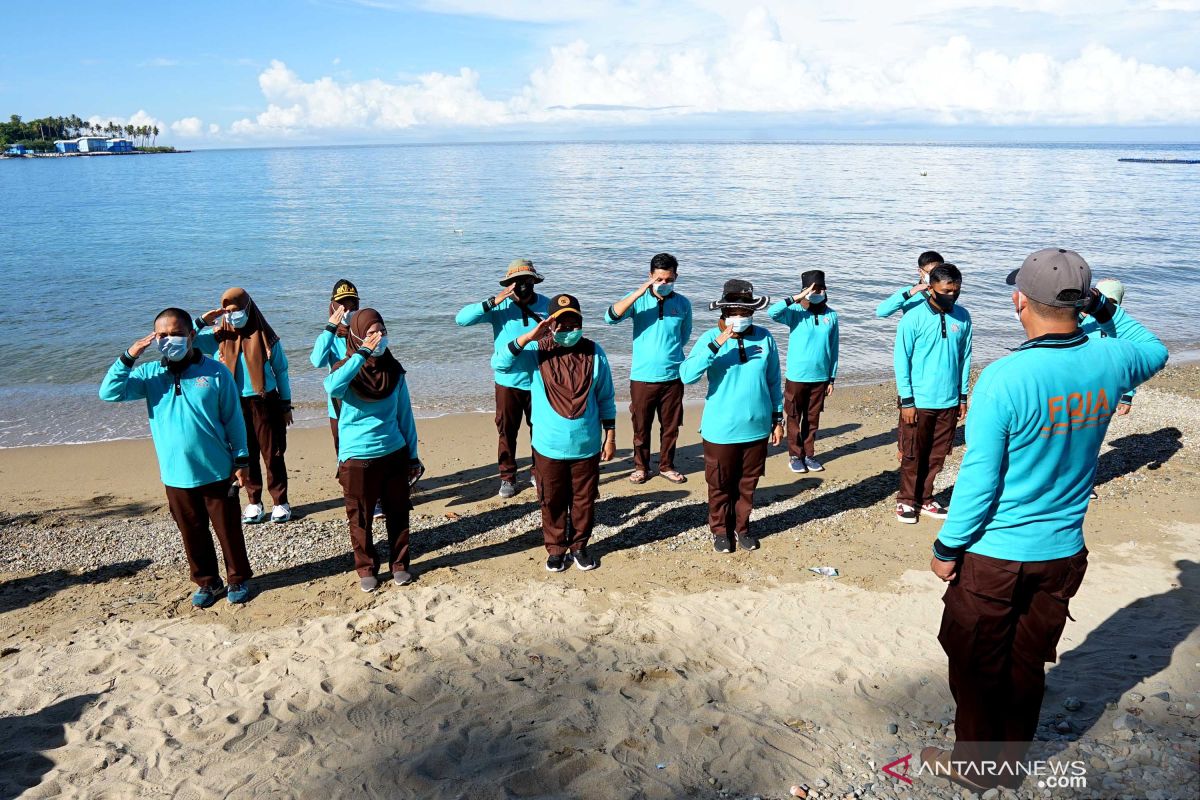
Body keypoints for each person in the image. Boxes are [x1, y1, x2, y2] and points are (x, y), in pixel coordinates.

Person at [924, 248, 1167, 792]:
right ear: (1083, 303)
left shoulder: (1005, 378)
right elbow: (1155, 349)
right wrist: (1106, 309)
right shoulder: (1111, 360)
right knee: (1027, 660)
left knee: (975, 661)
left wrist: (946, 548)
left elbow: (980, 480)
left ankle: (975, 768)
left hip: (995, 553)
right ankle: (1009, 762)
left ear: (1018, 302)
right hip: (1061, 550)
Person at [99, 308, 253, 607]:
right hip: (176, 474)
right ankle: (208, 583)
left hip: (218, 470)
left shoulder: (216, 372)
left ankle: (238, 579)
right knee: (192, 533)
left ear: (191, 336)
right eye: (163, 334)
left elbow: (234, 419)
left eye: (176, 333)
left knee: (228, 531)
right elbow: (109, 392)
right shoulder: (149, 374)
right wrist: (129, 356)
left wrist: (242, 461)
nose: (170, 339)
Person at [494, 294, 616, 572]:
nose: (569, 329)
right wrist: (528, 337)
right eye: (561, 324)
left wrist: (610, 435)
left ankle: (580, 546)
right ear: (550, 325)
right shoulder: (537, 353)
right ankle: (556, 547)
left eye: (574, 323)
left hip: (586, 445)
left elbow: (606, 396)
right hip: (548, 445)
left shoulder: (595, 352)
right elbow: (500, 363)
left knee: (584, 500)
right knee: (551, 499)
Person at [680, 279, 783, 554]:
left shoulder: (765, 337)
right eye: (734, 312)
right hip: (720, 429)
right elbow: (687, 376)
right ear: (723, 315)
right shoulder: (708, 339)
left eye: (746, 312)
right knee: (720, 485)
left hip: (757, 427)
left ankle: (743, 528)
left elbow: (773, 380)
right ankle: (720, 531)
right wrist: (717, 344)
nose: (740, 318)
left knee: (747, 485)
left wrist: (778, 419)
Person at [325, 309, 423, 592]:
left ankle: (400, 564)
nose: (378, 338)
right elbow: (332, 387)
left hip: (393, 451)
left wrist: (413, 455)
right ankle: (366, 567)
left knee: (398, 512)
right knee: (360, 517)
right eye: (370, 334)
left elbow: (405, 415)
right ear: (356, 337)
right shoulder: (344, 370)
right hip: (357, 457)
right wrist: (361, 355)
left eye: (381, 331)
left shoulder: (393, 370)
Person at [195, 288, 293, 525]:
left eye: (237, 310)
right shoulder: (221, 335)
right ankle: (254, 502)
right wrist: (200, 322)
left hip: (265, 402)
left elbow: (281, 371)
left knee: (273, 454)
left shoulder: (267, 336)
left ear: (248, 308)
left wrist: (286, 404)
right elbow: (191, 341)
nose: (232, 315)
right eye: (227, 311)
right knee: (244, 455)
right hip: (234, 404)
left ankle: (281, 502)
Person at [455, 259, 551, 498]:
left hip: (540, 380)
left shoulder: (547, 304)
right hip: (508, 382)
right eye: (517, 282)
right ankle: (507, 477)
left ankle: (537, 473)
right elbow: (461, 319)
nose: (523, 286)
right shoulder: (499, 307)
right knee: (506, 432)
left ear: (535, 281)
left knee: (540, 430)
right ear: (509, 284)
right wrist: (493, 301)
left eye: (528, 280)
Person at [893, 263, 971, 523]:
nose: (952, 295)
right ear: (932, 289)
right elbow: (901, 360)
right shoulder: (912, 318)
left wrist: (962, 396)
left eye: (956, 290)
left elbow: (965, 357)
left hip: (948, 400)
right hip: (918, 400)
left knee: (938, 453)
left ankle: (926, 497)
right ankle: (906, 500)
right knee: (913, 452)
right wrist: (907, 400)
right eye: (946, 290)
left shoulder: (963, 317)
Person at [605, 252, 693, 484]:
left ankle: (666, 465)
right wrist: (640, 291)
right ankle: (641, 467)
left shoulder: (683, 303)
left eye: (669, 279)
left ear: (675, 276)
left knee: (670, 427)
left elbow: (683, 337)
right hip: (642, 377)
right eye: (659, 279)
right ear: (650, 276)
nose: (664, 284)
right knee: (641, 427)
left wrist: (667, 355)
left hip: (673, 375)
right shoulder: (639, 300)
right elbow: (610, 317)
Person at [767, 269, 839, 474]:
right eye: (812, 289)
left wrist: (831, 377)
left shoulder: (831, 315)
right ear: (804, 290)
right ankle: (794, 455)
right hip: (797, 376)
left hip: (821, 377)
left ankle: (809, 454)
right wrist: (796, 298)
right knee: (794, 416)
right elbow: (772, 313)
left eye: (820, 289)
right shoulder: (795, 313)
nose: (817, 292)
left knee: (812, 418)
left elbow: (833, 348)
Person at [1081, 278, 1135, 499]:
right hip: (1079, 387)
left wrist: (1128, 396)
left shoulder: (1122, 330)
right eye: (1103, 301)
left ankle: (1085, 485)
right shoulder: (1083, 322)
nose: (1107, 308)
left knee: (1091, 441)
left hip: (1107, 393)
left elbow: (1130, 365)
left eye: (1112, 303)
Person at [310, 278, 360, 456]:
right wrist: (330, 327)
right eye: (342, 308)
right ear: (333, 308)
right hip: (338, 404)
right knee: (341, 448)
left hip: (363, 400)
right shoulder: (329, 337)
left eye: (352, 307)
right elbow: (317, 361)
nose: (348, 312)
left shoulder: (362, 332)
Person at [875, 250, 943, 318]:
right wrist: (911, 292)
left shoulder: (949, 291)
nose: (934, 275)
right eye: (930, 272)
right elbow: (881, 312)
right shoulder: (908, 292)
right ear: (920, 271)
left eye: (938, 271)